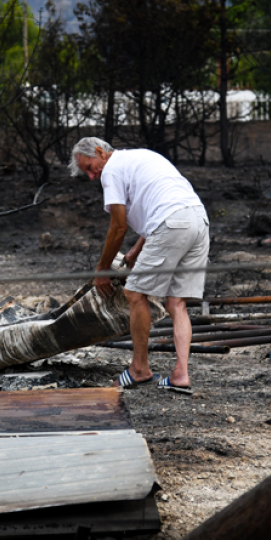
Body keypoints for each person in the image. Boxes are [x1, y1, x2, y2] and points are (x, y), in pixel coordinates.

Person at [70, 137, 209, 394]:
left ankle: (140, 369)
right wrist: (135, 251)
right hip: (198, 220)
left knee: (135, 293)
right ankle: (180, 374)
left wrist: (102, 271)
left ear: (100, 152)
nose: (90, 176)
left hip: (171, 223)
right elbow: (161, 204)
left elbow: (119, 226)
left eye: (89, 167)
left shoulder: (111, 170)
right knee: (176, 303)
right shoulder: (141, 157)